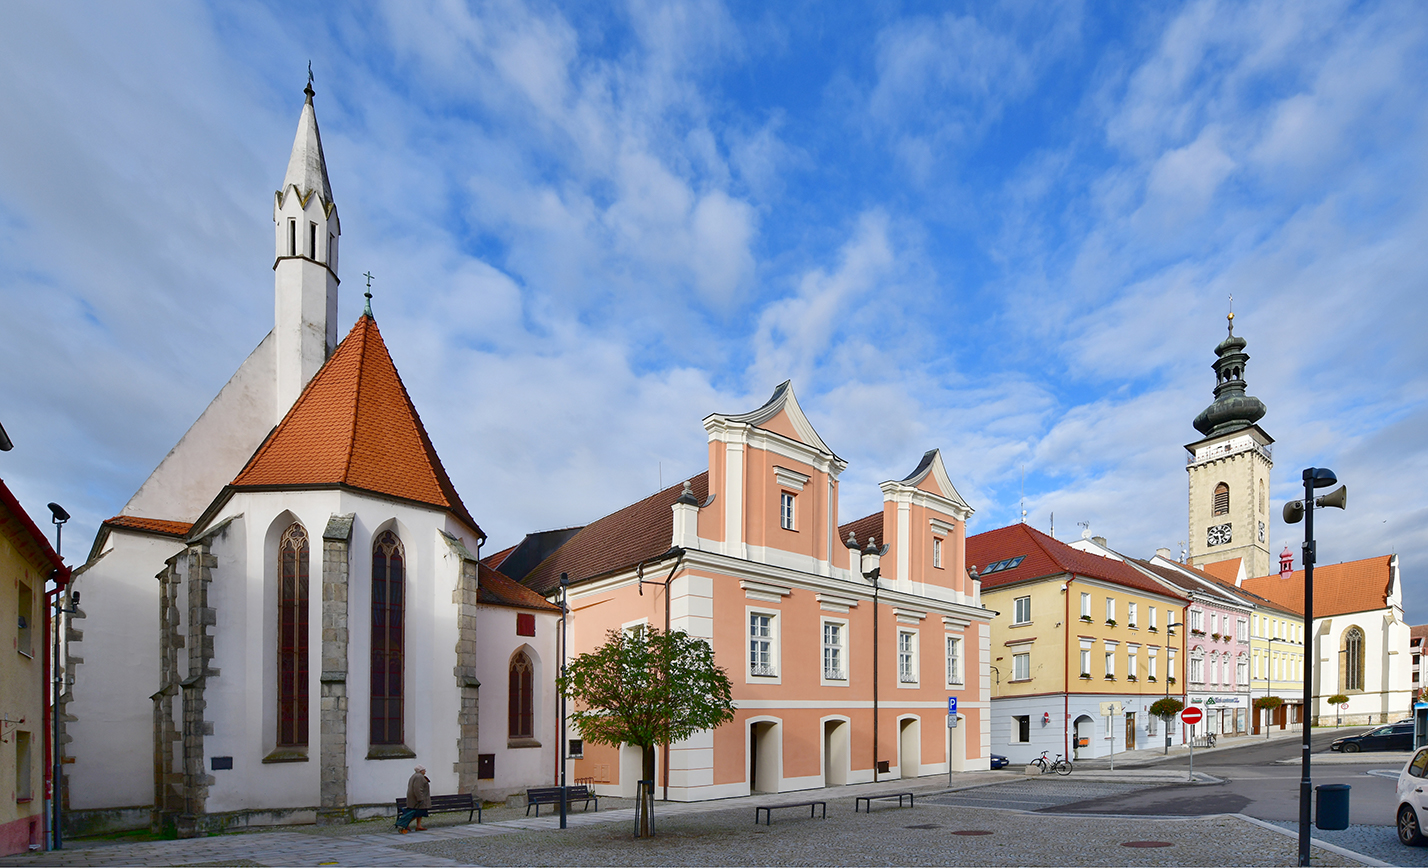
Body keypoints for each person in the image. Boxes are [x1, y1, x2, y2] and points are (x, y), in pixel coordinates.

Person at [396, 765, 431, 833]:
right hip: (417, 798)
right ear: (421, 771)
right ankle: (404, 824)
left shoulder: (415, 776)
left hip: (415, 797)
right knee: (417, 812)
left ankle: (418, 826)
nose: (425, 771)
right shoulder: (419, 777)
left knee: (420, 812)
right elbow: (418, 788)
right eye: (424, 770)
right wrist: (420, 798)